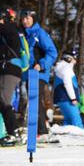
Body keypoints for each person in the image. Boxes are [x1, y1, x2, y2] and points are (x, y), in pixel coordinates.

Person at [0, 8, 23, 145]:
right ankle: (13, 132)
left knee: (4, 102)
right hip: (6, 70)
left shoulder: (10, 28)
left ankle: (14, 134)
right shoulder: (5, 32)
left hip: (11, 70)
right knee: (0, 103)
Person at [20, 10, 58, 141]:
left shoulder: (39, 33)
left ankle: (42, 131)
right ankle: (40, 130)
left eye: (28, 18)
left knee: (34, 100)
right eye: (23, 19)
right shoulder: (24, 34)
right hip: (27, 73)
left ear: (34, 19)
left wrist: (41, 64)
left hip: (38, 73)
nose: (25, 21)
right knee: (33, 101)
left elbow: (52, 51)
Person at [53, 48, 83, 128]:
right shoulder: (66, 68)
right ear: (69, 58)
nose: (76, 60)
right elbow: (68, 84)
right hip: (66, 98)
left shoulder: (61, 67)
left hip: (61, 98)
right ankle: (81, 138)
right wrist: (73, 98)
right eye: (74, 57)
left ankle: (67, 137)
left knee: (68, 121)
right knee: (76, 120)